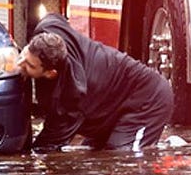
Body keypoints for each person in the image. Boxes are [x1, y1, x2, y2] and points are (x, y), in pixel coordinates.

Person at [16, 13, 173, 152]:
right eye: (24, 54)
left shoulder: (70, 98)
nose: (20, 63)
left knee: (123, 157)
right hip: (110, 105)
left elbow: (49, 143)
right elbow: (54, 17)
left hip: (150, 99)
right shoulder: (49, 27)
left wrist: (28, 164)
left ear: (51, 73)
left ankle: (172, 151)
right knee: (94, 154)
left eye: (30, 65)